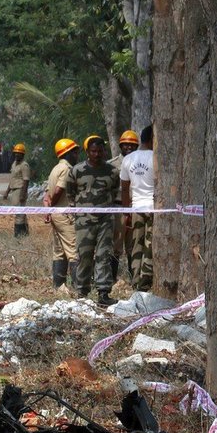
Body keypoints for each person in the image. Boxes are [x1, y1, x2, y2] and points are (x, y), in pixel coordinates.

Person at [66, 135, 121, 306]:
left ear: (104, 151)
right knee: (84, 255)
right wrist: (75, 210)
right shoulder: (77, 170)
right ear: (87, 152)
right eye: (93, 151)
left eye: (100, 151)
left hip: (105, 221)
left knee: (103, 255)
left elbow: (114, 193)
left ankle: (103, 293)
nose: (97, 154)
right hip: (84, 221)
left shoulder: (112, 171)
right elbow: (70, 192)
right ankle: (82, 291)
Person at [120, 125, 155, 291]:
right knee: (150, 245)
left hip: (136, 207)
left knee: (136, 245)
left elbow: (125, 189)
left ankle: (135, 281)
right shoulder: (156, 157)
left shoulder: (128, 159)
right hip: (154, 208)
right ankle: (145, 283)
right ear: (152, 139)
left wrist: (126, 211)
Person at [44, 139, 80, 289]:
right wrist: (52, 206)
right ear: (68, 153)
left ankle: (58, 286)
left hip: (55, 214)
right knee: (73, 250)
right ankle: (80, 288)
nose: (77, 154)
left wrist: (47, 209)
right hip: (64, 214)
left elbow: (47, 193)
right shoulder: (66, 169)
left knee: (59, 251)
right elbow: (59, 190)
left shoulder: (55, 168)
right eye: (75, 152)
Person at [108, 130, 139, 280]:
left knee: (133, 246)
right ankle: (112, 278)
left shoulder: (140, 163)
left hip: (136, 208)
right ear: (121, 145)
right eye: (126, 145)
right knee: (116, 246)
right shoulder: (112, 165)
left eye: (132, 145)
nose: (129, 147)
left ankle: (134, 279)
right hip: (118, 208)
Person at [4, 143, 31, 237]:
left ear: (23, 154)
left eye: (19, 153)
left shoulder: (24, 165)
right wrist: (7, 192)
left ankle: (18, 234)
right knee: (21, 213)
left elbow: (26, 180)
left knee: (19, 213)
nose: (16, 155)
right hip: (14, 190)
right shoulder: (14, 164)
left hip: (20, 190)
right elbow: (12, 179)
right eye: (15, 153)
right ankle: (25, 232)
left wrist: (23, 194)